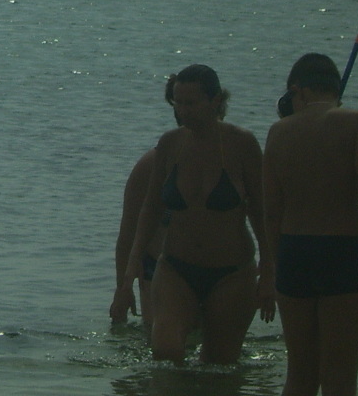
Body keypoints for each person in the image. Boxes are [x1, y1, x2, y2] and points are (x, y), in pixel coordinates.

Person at [112, 64, 274, 364]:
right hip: (176, 268)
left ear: (215, 101)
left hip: (232, 272)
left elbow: (261, 211)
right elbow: (149, 211)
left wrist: (269, 273)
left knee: (220, 366)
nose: (182, 111)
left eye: (191, 103)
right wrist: (126, 281)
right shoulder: (170, 144)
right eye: (178, 103)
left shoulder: (242, 144)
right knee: (165, 352)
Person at [263, 52, 358, 396]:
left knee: (299, 376)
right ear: (335, 89)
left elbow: (271, 210)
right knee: (340, 379)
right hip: (340, 251)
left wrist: (276, 265)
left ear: (296, 90)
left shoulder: (278, 132)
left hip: (292, 252)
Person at [110, 79, 179, 334]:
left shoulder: (231, 152)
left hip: (218, 265)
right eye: (179, 104)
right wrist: (122, 288)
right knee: (158, 343)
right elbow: (127, 234)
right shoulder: (151, 164)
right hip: (157, 266)